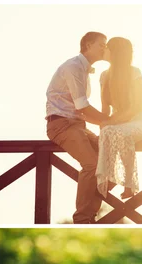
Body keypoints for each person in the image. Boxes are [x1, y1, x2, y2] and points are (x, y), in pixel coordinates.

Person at [46, 32, 111, 224]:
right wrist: (109, 122)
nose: (105, 49)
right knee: (91, 164)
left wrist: (107, 124)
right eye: (102, 45)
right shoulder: (73, 67)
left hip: (77, 125)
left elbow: (81, 111)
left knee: (109, 158)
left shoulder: (85, 70)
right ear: (88, 45)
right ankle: (82, 219)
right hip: (61, 125)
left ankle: (91, 214)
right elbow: (82, 106)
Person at [96, 37, 142, 199]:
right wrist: (103, 124)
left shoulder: (134, 72)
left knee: (119, 132)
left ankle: (129, 183)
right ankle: (109, 177)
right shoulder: (104, 76)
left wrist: (110, 122)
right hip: (117, 122)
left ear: (115, 52)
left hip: (138, 120)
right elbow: (105, 109)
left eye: (107, 48)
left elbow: (136, 106)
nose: (104, 50)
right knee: (107, 132)